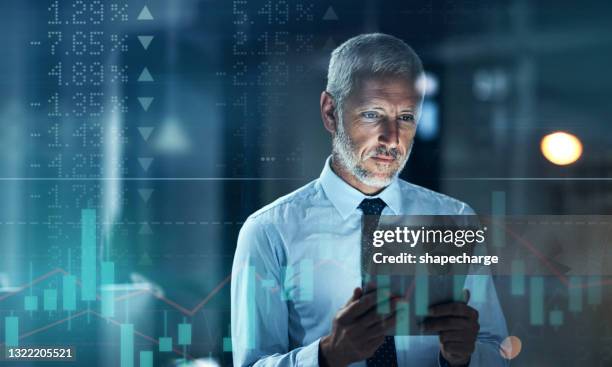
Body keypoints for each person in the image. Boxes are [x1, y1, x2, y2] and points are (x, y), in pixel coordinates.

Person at [231, 33, 507, 367]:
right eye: (373, 114)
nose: (392, 138)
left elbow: (495, 350)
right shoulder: (270, 231)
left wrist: (463, 357)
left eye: (405, 117)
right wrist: (327, 356)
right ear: (330, 113)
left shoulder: (454, 218)